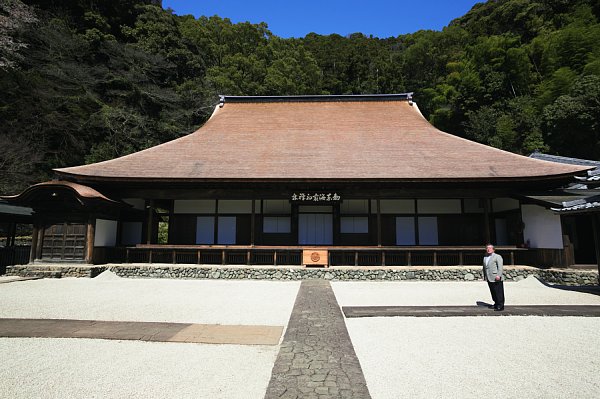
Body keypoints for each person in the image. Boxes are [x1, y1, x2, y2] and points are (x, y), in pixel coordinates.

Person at [483, 244, 504, 311]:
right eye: (487, 248)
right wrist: (484, 276)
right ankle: (496, 303)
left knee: (499, 291)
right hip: (489, 277)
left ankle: (500, 305)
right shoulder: (485, 257)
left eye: (490, 248)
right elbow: (484, 268)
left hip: (496, 277)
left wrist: (499, 275)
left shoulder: (497, 256)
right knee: (493, 291)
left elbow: (500, 267)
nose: (488, 249)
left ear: (493, 249)